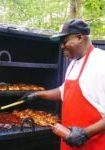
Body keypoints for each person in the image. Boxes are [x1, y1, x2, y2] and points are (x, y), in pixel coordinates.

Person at [24, 19, 105, 150]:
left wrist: (85, 134)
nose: (61, 46)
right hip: (69, 143)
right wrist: (38, 94)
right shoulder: (73, 63)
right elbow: (64, 92)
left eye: (65, 41)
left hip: (93, 145)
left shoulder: (101, 63)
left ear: (79, 37)